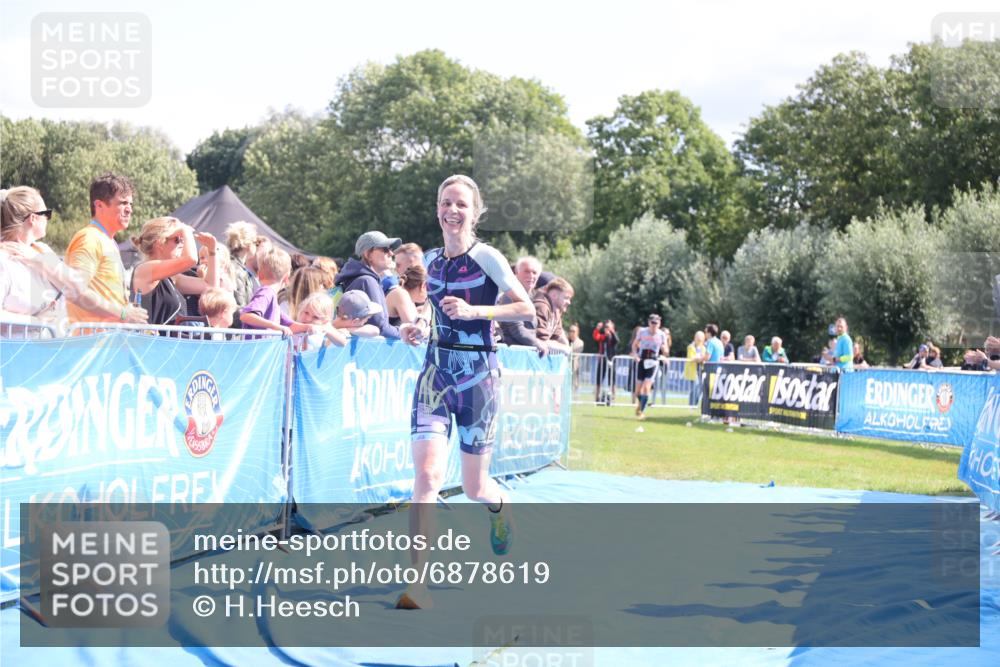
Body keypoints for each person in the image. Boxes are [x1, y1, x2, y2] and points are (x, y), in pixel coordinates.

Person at [395, 175, 533, 610]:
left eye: (461, 204)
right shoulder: (431, 261)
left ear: (474, 213)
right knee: (427, 477)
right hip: (435, 375)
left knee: (474, 487)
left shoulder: (487, 257)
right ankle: (418, 583)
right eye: (445, 202)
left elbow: (526, 308)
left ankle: (499, 506)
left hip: (478, 379)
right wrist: (416, 326)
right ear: (437, 208)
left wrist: (477, 311)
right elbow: (430, 312)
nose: (452, 211)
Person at [65, 173, 149, 332]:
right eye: (123, 203)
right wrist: (124, 313)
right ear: (99, 205)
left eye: (130, 204)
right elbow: (75, 292)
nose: (129, 210)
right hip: (91, 342)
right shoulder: (89, 238)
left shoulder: (107, 240)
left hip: (107, 341)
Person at [0, 186, 75, 335]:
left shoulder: (43, 250)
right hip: (14, 348)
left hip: (52, 346)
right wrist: (36, 322)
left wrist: (39, 260)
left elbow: (77, 289)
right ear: (33, 218)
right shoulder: (4, 261)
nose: (48, 219)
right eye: (47, 214)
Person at [130, 217, 219, 328]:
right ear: (160, 243)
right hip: (151, 338)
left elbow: (211, 287)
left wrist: (212, 251)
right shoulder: (144, 270)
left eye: (183, 239)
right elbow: (191, 259)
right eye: (178, 239)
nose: (182, 244)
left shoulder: (172, 277)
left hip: (168, 338)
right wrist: (185, 230)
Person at [335, 231, 402, 338]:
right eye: (385, 249)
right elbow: (380, 327)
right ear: (368, 254)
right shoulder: (367, 281)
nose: (391, 253)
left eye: (391, 249)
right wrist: (403, 333)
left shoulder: (358, 277)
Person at [239, 246, 313, 338]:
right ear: (286, 278)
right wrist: (275, 327)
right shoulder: (266, 293)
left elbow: (290, 326)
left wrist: (309, 327)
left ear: (259, 274)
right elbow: (246, 316)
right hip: (256, 347)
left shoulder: (272, 298)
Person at [497, 256, 543, 352]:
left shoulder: (532, 297)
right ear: (516, 273)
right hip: (511, 353)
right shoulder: (510, 296)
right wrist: (537, 343)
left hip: (525, 352)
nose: (531, 275)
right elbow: (516, 329)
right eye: (526, 271)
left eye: (534, 272)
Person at [631, 314, 670, 420]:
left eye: (656, 323)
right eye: (652, 323)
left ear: (659, 324)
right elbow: (634, 345)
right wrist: (635, 355)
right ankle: (640, 405)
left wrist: (664, 351)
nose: (654, 325)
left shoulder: (661, 334)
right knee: (637, 391)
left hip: (653, 362)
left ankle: (641, 411)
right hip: (642, 360)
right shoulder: (642, 332)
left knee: (647, 387)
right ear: (649, 323)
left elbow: (666, 350)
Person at [532, 277, 574, 355]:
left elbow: (557, 336)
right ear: (554, 295)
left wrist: (567, 346)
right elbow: (541, 340)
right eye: (566, 298)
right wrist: (563, 348)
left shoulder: (556, 311)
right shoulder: (542, 307)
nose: (569, 302)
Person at [593, 319, 619, 405]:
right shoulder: (603, 336)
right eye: (605, 327)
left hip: (611, 360)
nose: (606, 328)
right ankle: (597, 398)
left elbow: (617, 341)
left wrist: (611, 332)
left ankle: (613, 399)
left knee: (612, 381)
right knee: (599, 379)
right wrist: (597, 329)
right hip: (602, 360)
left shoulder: (613, 336)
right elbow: (596, 337)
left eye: (608, 326)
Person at [685, 330, 708, 406]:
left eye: (701, 338)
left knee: (700, 388)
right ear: (695, 338)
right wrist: (699, 358)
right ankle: (691, 405)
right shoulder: (690, 347)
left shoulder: (703, 348)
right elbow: (691, 358)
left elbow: (703, 358)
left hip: (701, 370)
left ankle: (694, 404)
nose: (700, 340)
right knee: (694, 388)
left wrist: (698, 358)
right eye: (698, 338)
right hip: (693, 371)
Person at [567, 323, 585, 393]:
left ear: (577, 332)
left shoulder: (580, 342)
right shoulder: (565, 341)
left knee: (574, 386)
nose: (571, 333)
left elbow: (572, 352)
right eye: (570, 331)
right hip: (565, 367)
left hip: (574, 367)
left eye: (573, 331)